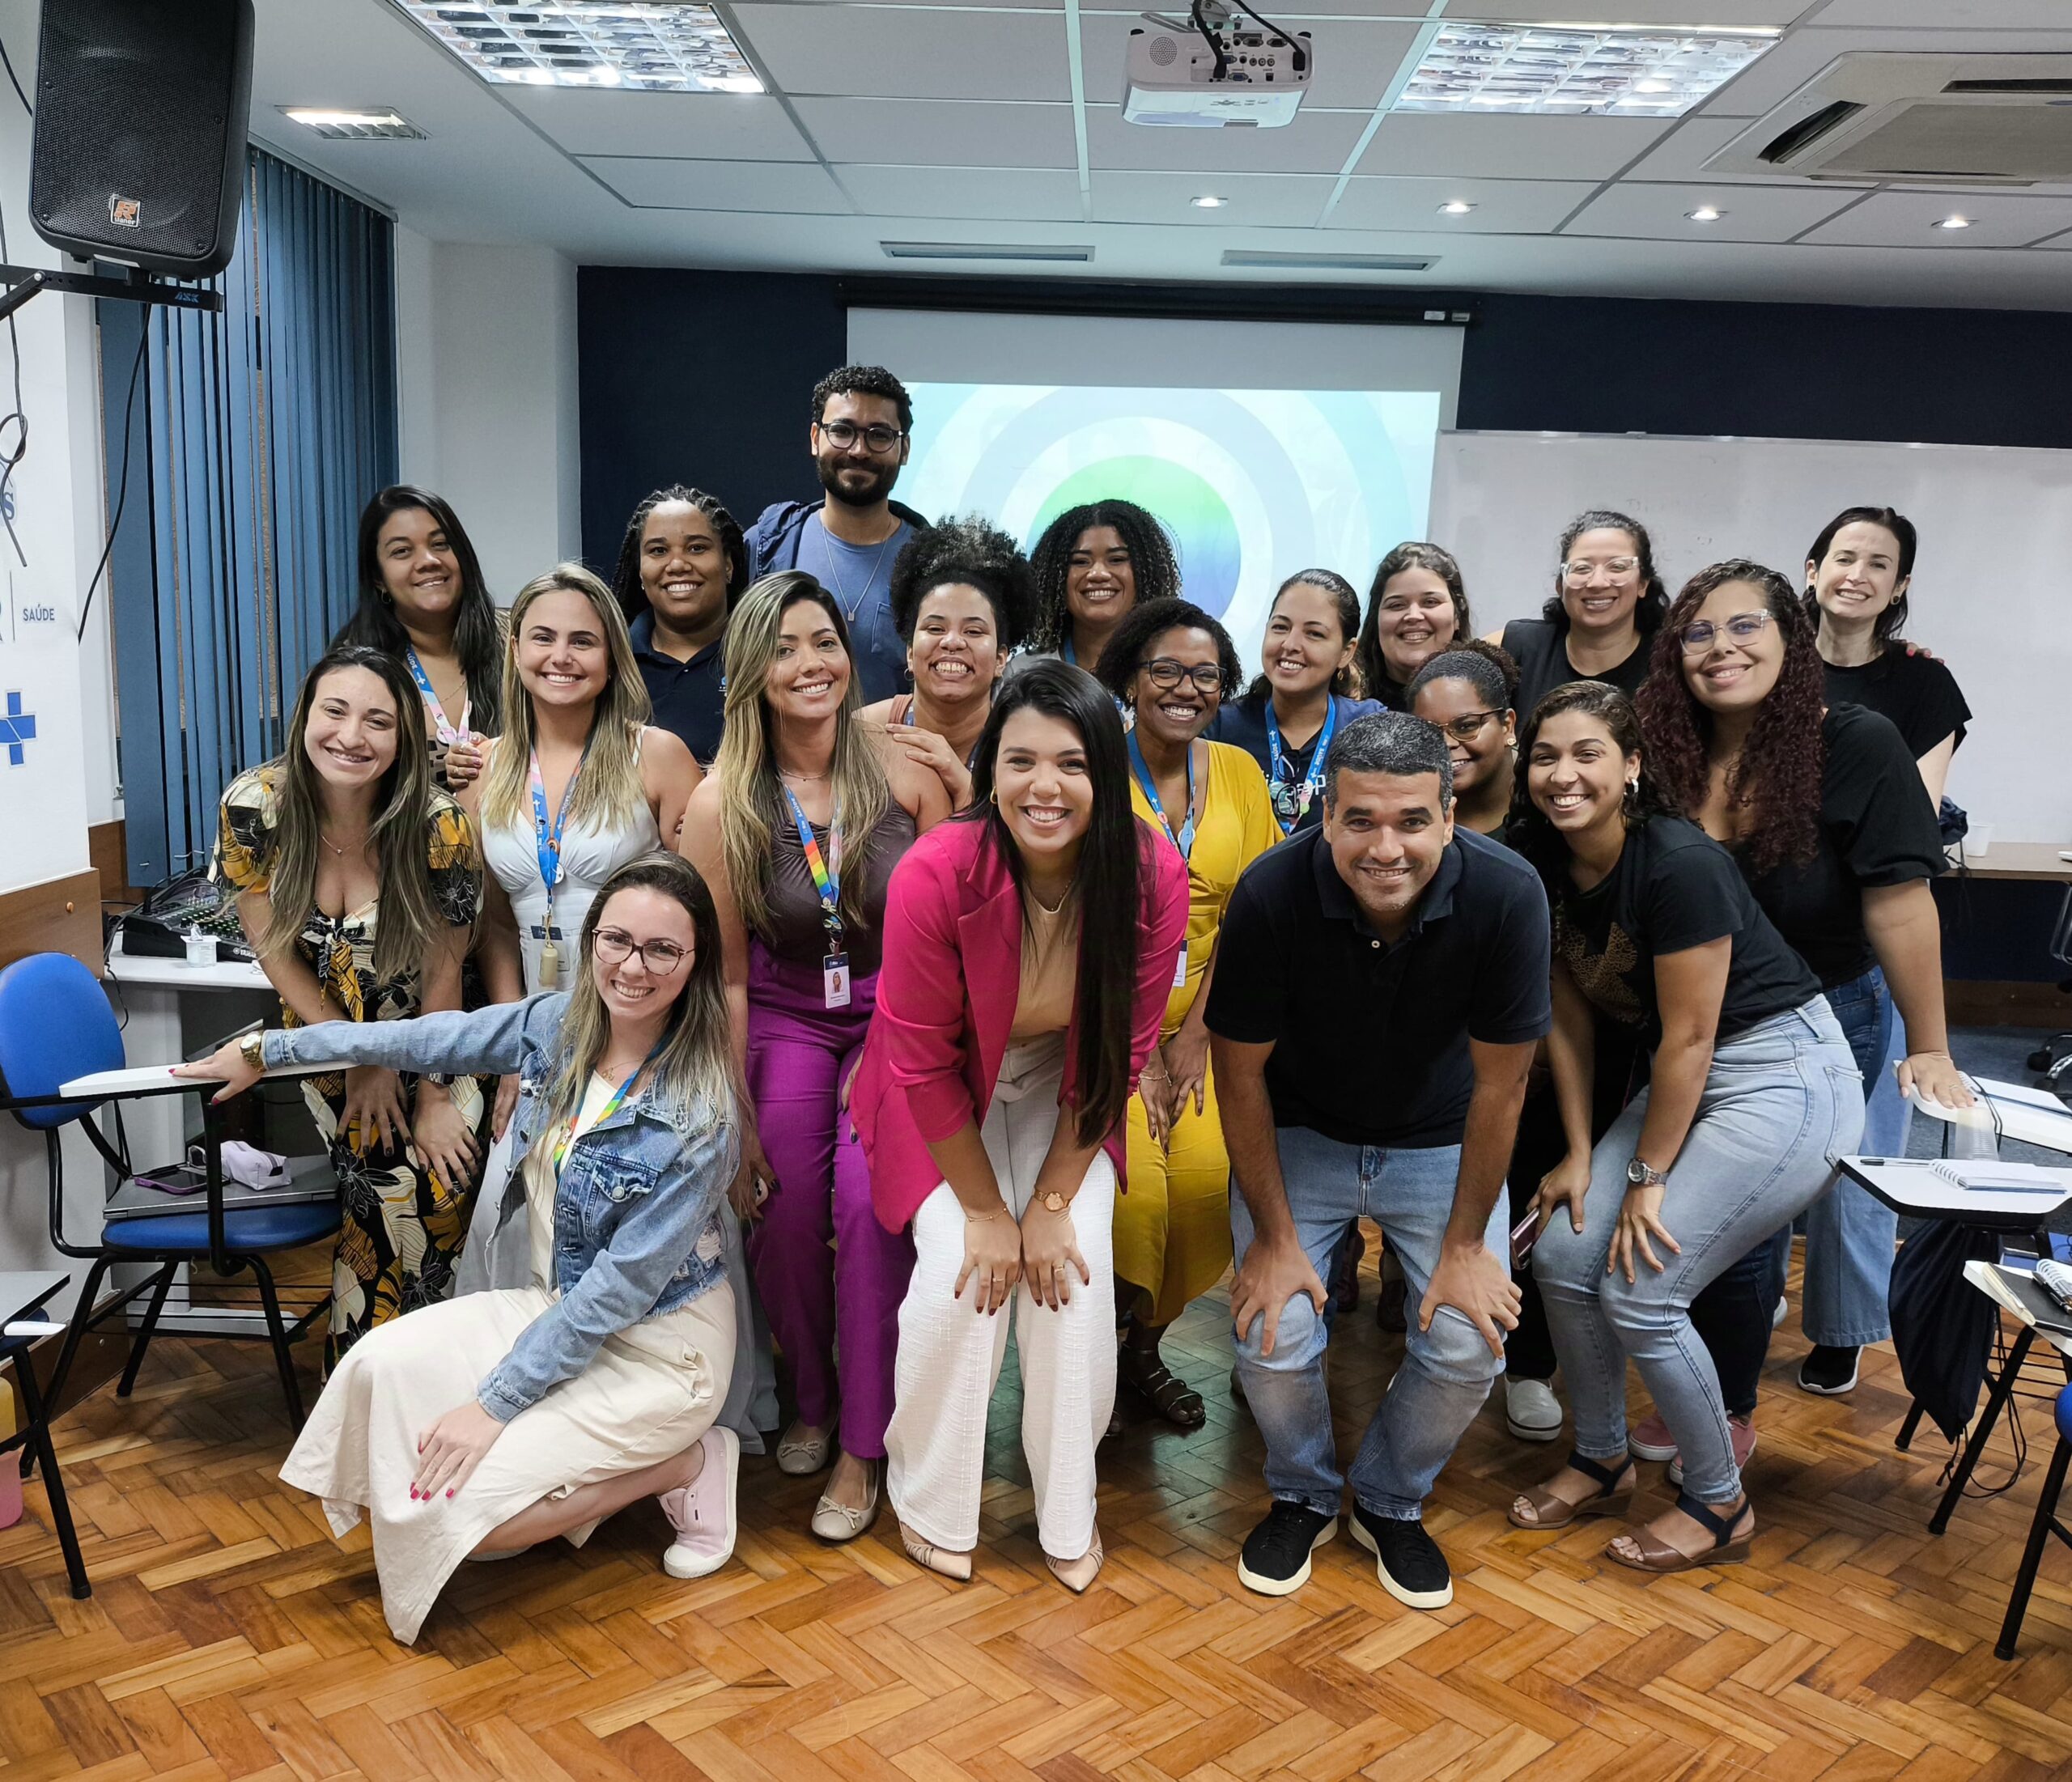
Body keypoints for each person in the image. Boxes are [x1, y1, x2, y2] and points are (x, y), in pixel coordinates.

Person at [180, 855, 748, 1646]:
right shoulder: (557, 1025)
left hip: (660, 1352)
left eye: (663, 950)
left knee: (479, 1530)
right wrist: (266, 1053)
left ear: (695, 965)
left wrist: (493, 1405)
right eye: (616, 940)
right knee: (376, 1364)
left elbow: (616, 1293)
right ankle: (520, 1476)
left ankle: (688, 1463)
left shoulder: (699, 1111)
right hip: (561, 1310)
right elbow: (424, 1035)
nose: (633, 966)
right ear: (591, 941)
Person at [1506, 682, 1862, 1572]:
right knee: (1561, 1254)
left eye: (1587, 753)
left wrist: (1646, 1176)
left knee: (1641, 1289)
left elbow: (1696, 1036)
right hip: (1685, 1076)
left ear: (1631, 766)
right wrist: (1582, 1154)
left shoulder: (1678, 860)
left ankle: (1716, 1501)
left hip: (1780, 1074)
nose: (1561, 775)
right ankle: (1601, 1455)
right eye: (1545, 756)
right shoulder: (1535, 859)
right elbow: (1570, 1017)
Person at [850, 661, 1188, 1592]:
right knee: (966, 1271)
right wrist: (989, 1213)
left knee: (1068, 1276)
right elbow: (918, 1063)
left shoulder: (1150, 872)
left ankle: (1067, 1510)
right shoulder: (937, 870)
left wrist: (1046, 1202)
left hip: (1069, 1089)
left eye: (1073, 765)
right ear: (989, 767)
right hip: (942, 1093)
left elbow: (1120, 1054)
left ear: (1106, 775)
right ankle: (931, 1500)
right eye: (1022, 761)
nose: (1046, 787)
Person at [1205, 711, 1549, 1607]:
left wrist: (1470, 1246)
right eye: (1359, 819)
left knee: (1473, 1341)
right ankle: (1304, 1493)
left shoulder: (1508, 893)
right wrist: (1274, 1240)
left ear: (1448, 813)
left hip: (1440, 1142)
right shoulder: (1270, 892)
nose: (1384, 847)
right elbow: (1237, 1078)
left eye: (1409, 821)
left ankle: (1390, 1499)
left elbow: (1501, 1089)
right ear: (1326, 814)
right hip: (1300, 1136)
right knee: (1270, 1334)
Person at [1637, 561, 1970, 1416]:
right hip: (1680, 1020)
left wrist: (1929, 1044)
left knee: (1747, 1225)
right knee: (1677, 1206)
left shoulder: (1853, 745)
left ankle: (1723, 1415)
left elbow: (1899, 903)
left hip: (1819, 1014)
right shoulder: (1665, 754)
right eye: (1699, 633)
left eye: (1745, 626)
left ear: (1791, 636)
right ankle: (1684, 1391)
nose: (1721, 648)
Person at [678, 572, 949, 1543]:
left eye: (823, 641)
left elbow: (958, 908)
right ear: (751, 668)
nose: (809, 664)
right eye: (785, 647)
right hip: (786, 1012)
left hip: (898, 1015)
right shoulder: (721, 805)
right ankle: (810, 1397)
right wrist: (738, 1118)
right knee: (783, 1207)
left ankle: (863, 1446)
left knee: (869, 1208)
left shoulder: (908, 770)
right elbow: (729, 978)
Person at [213, 646, 484, 1364]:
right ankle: (365, 1392)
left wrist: (429, 1093)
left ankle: (432, 1386)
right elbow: (274, 952)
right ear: (306, 714)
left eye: (378, 721)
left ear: (405, 739)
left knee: (436, 1192)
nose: (351, 736)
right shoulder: (255, 808)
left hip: (434, 1038)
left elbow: (447, 971)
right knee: (373, 1195)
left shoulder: (437, 823)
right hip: (326, 1041)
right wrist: (357, 1054)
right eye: (335, 711)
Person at [1093, 598, 1278, 1430]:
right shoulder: (1090, 765)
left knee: (1203, 1190)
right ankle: (1092, 1357)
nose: (1184, 686)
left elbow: (1256, 913)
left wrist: (1194, 1035)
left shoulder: (1236, 770)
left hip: (1207, 1018)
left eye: (1204, 673)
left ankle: (1142, 1349)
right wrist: (1138, 1053)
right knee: (1133, 1198)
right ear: (1130, 677)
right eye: (1164, 669)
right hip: (1100, 1023)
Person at [463, 565, 703, 1009]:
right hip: (536, 1024)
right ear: (515, 651)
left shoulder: (658, 756)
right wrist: (513, 1037)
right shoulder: (482, 769)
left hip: (643, 1016)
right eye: (543, 638)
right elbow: (495, 926)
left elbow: (704, 914)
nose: (561, 656)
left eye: (582, 641)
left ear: (611, 657)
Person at [745, 365, 930, 705]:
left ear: (904, 450)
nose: (859, 450)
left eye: (879, 434)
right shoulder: (766, 548)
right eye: (842, 431)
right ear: (816, 438)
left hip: (897, 755)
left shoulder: (934, 562)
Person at [860, 516, 1036, 811]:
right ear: (910, 653)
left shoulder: (1027, 746)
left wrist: (964, 784)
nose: (952, 642)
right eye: (935, 628)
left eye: (973, 631)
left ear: (1001, 659)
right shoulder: (862, 734)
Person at [335, 486, 503, 791]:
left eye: (441, 545)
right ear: (378, 579)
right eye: (402, 551)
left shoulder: (516, 640)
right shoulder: (355, 666)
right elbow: (340, 782)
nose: (428, 560)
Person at [1805, 506, 1968, 808]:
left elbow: (1918, 819)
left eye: (1878, 565)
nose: (1857, 576)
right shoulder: (1767, 667)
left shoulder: (1926, 685)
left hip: (1871, 854)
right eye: (1844, 559)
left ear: (1899, 587)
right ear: (1813, 573)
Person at [1207, 569, 1382, 838]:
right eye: (1280, 627)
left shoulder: (1369, 726)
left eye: (1314, 634)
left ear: (1346, 652)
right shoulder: (1220, 727)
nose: (1290, 644)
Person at [611, 485, 751, 768]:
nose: (677, 564)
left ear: (728, 564)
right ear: (640, 569)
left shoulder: (763, 657)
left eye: (697, 548)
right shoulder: (611, 664)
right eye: (658, 550)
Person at [1495, 510, 1670, 718]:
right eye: (1582, 568)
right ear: (1560, 586)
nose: (1597, 582)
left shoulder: (1669, 660)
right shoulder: (1520, 646)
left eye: (1617, 567)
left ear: (1643, 583)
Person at [1022, 499, 1182, 677]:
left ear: (1147, 572)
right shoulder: (1023, 673)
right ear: (1056, 577)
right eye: (1080, 562)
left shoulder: (1174, 671)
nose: (1098, 574)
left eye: (1116, 560)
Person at [1407, 643, 1518, 839]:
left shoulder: (1548, 801)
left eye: (1466, 726)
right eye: (1429, 732)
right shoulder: (1408, 815)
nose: (1447, 743)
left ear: (1507, 726)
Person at [1356, 542, 1471, 710]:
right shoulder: (1344, 706)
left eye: (1430, 602)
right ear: (1376, 618)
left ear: (1457, 617)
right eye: (1397, 605)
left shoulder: (1484, 697)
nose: (1413, 616)